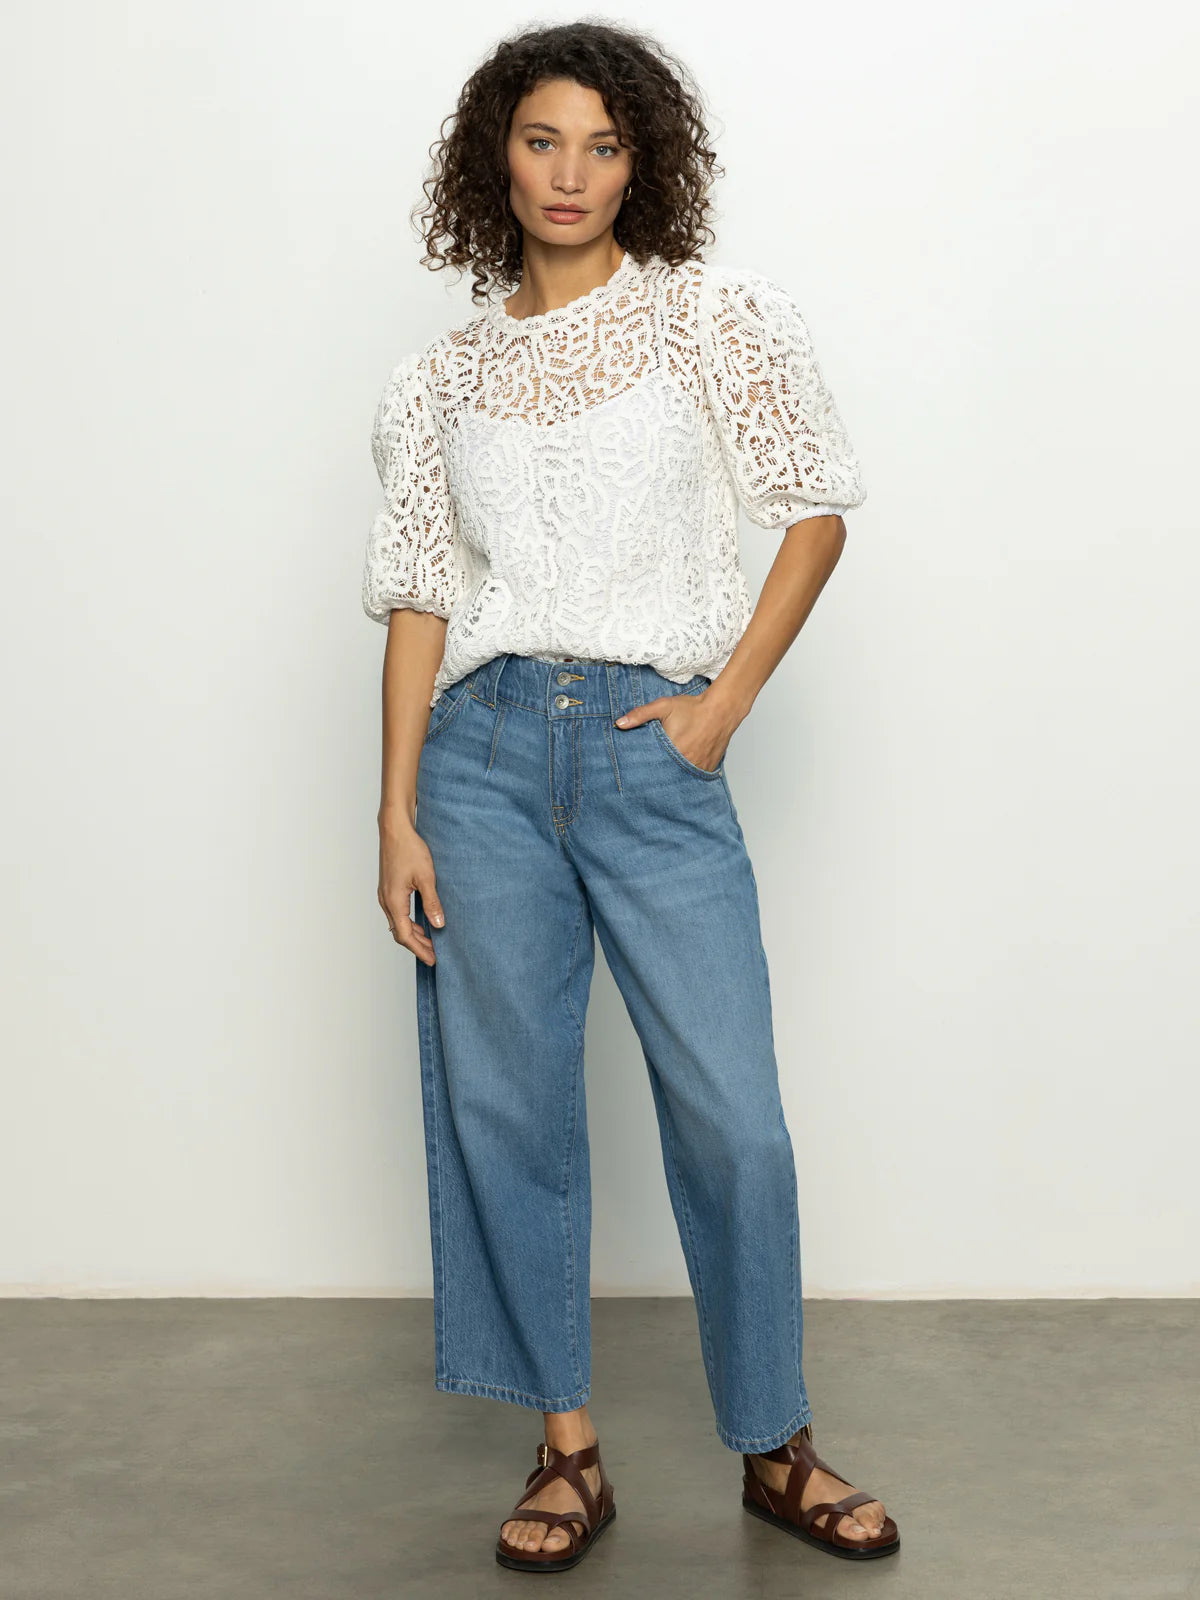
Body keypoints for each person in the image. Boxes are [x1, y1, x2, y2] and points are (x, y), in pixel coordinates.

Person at [362, 20, 899, 1574]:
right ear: (497, 158)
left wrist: (721, 709)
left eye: (603, 145)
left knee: (735, 1119)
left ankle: (776, 1443)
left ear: (641, 164)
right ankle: (566, 1450)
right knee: (509, 1110)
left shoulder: (712, 320)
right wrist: (394, 813)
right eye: (543, 140)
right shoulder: (441, 379)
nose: (570, 173)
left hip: (650, 754)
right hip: (479, 759)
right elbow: (420, 597)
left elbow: (813, 516)